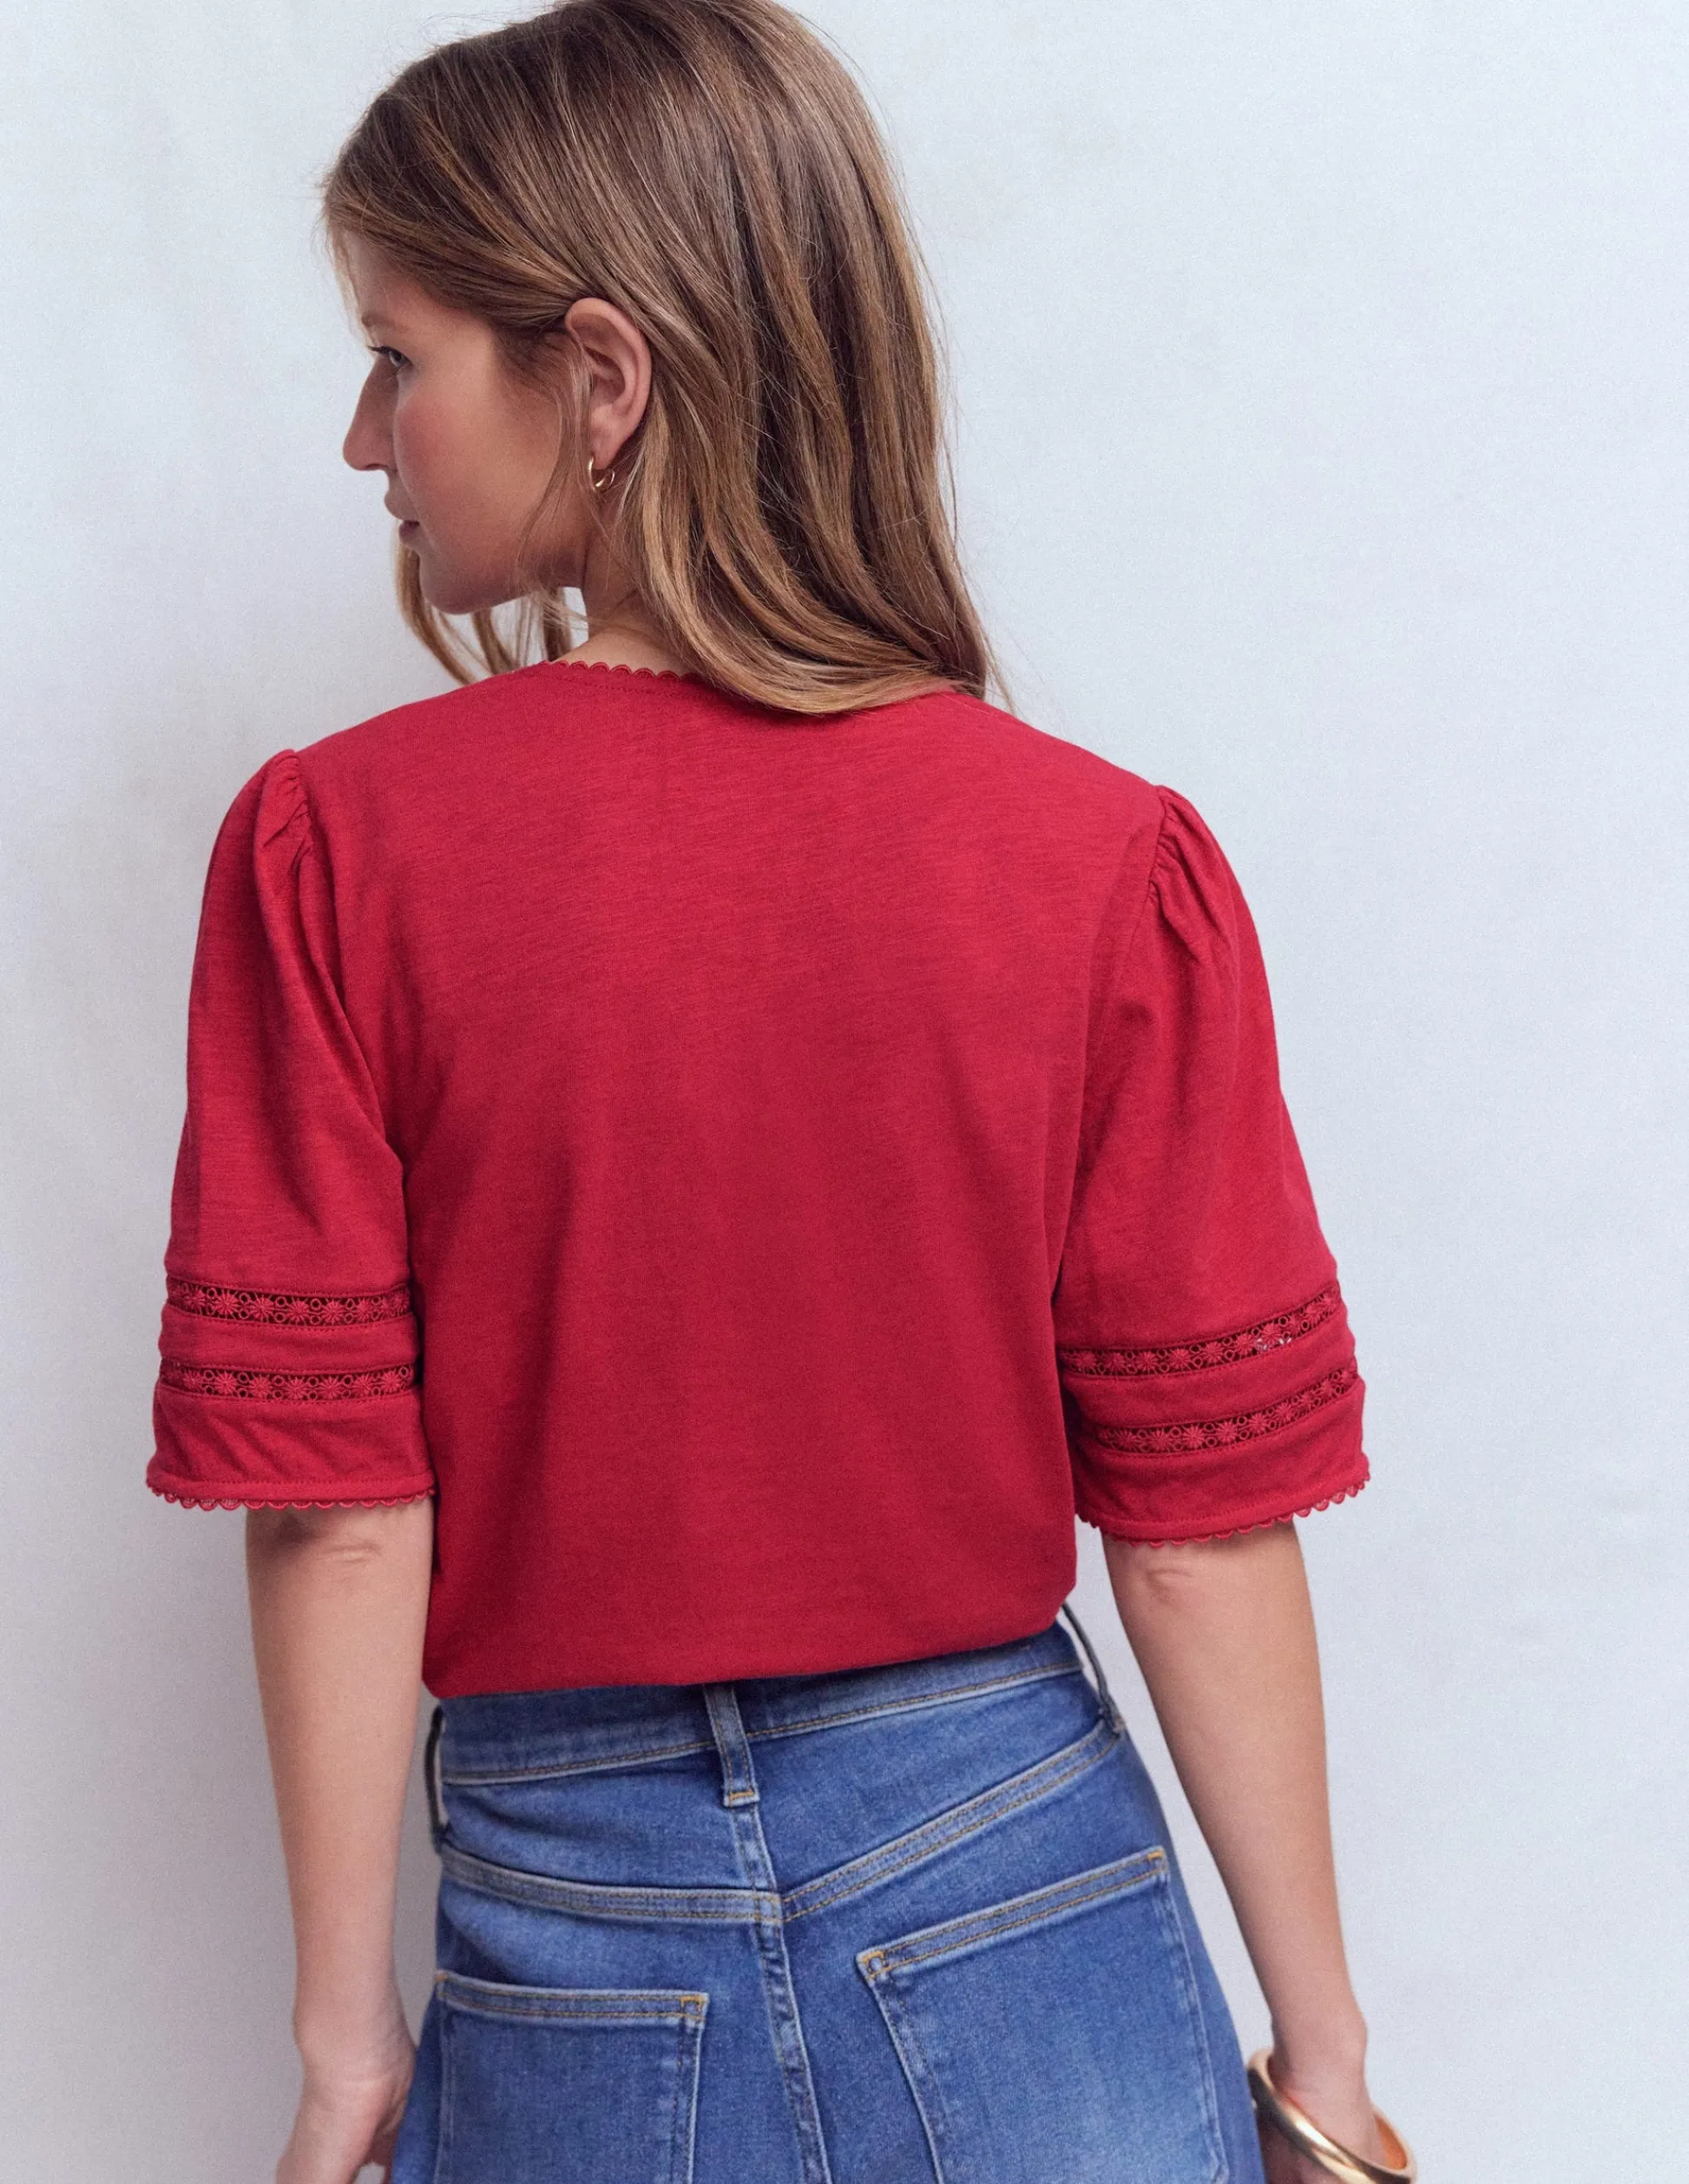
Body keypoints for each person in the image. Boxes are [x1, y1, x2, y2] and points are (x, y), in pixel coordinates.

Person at [146, 3, 1413, 2180]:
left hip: (573, 1915)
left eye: (396, 358)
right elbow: (1200, 1526)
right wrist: (1323, 2062)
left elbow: (341, 1509)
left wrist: (345, 2035)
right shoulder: (1096, 861)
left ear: (602, 377)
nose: (367, 440)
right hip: (1022, 1876)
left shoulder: (336, 854)